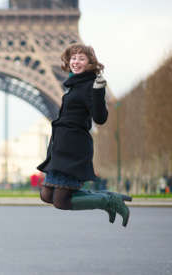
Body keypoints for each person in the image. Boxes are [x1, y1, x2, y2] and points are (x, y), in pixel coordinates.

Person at [37, 44, 132, 227]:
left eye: (81, 58)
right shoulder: (74, 83)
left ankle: (106, 201)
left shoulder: (91, 84)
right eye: (73, 58)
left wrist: (98, 91)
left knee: (61, 201)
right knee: (46, 195)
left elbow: (100, 118)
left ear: (90, 63)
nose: (76, 62)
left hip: (73, 149)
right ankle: (108, 196)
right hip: (60, 147)